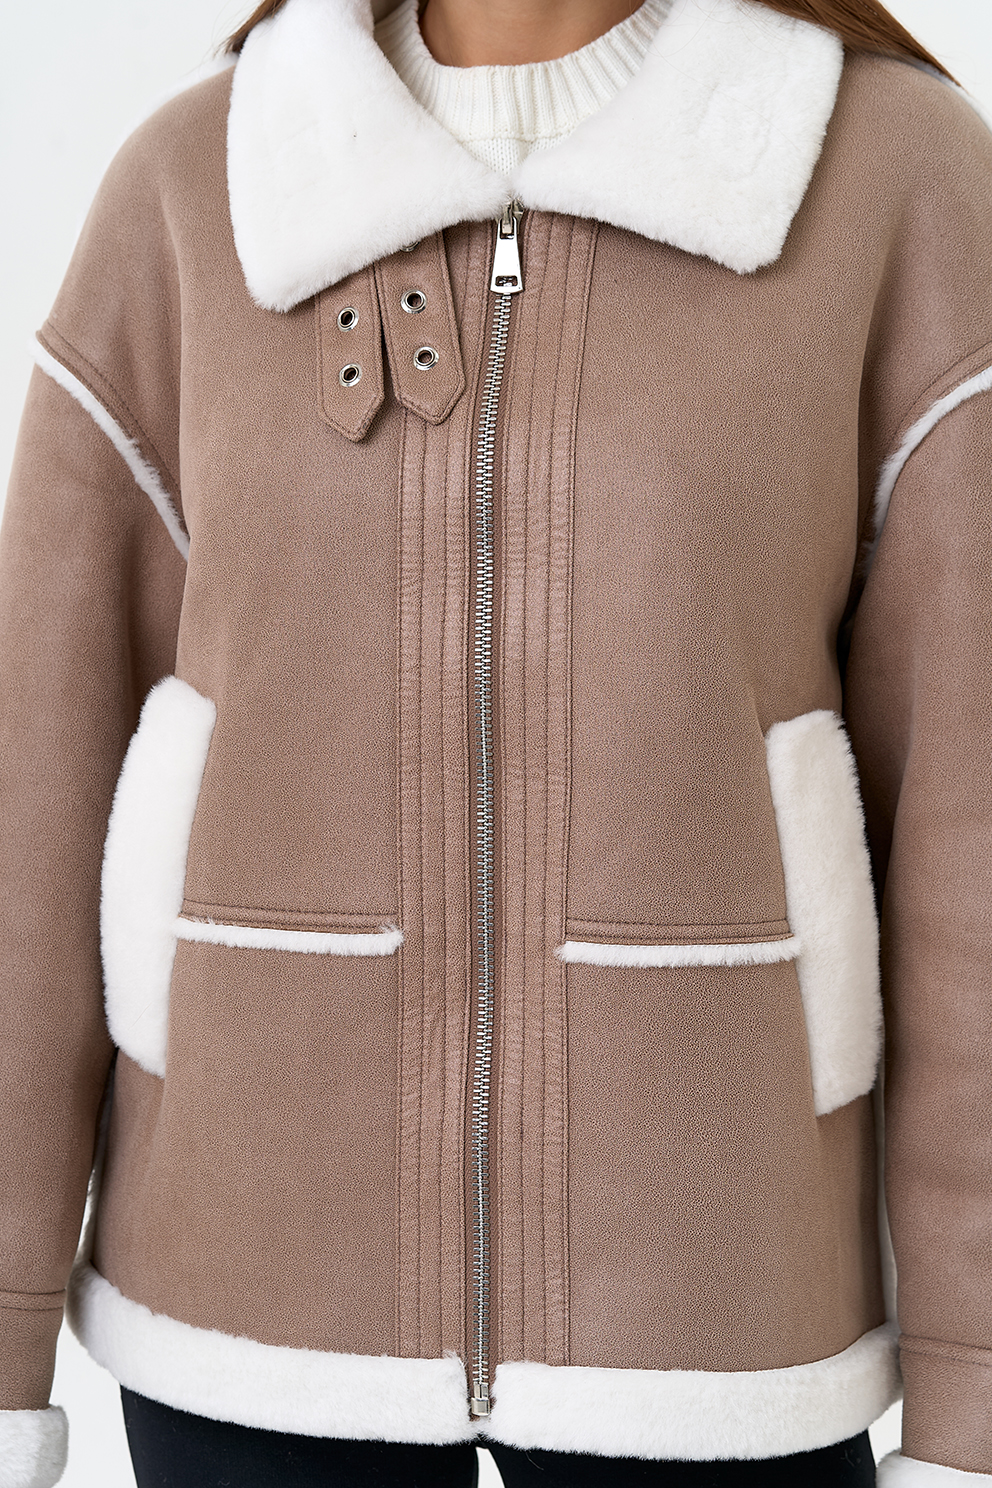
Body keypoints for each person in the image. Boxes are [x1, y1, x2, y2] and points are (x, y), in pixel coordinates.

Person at [1, 0, 991, 1483]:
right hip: (248, 1292)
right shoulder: (200, 185)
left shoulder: (881, 177)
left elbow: (973, 833)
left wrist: (976, 1391)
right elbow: (33, 794)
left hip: (708, 1303)